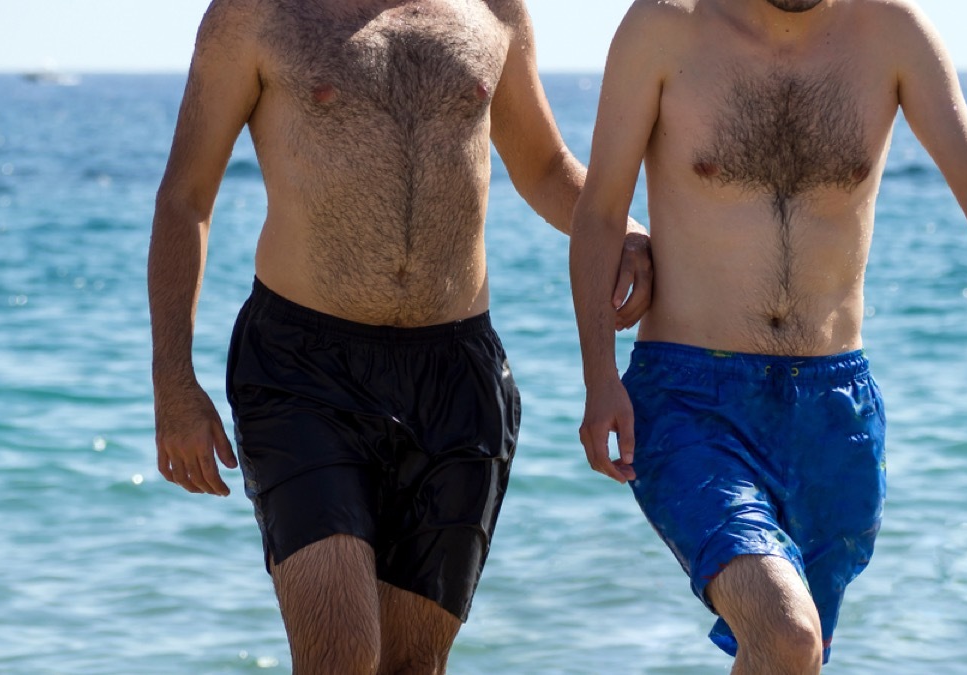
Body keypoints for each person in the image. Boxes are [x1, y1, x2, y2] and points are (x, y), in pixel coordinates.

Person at [147, 1, 652, 673]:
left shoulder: (492, 10)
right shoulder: (257, 13)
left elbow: (545, 169)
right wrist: (173, 381)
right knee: (342, 655)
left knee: (414, 664)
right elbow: (186, 197)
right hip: (302, 372)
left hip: (457, 375)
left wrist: (633, 234)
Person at [570, 0, 967, 672]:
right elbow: (598, 211)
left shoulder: (891, 32)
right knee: (786, 632)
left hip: (835, 410)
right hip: (690, 397)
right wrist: (599, 375)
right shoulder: (665, 26)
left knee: (790, 654)